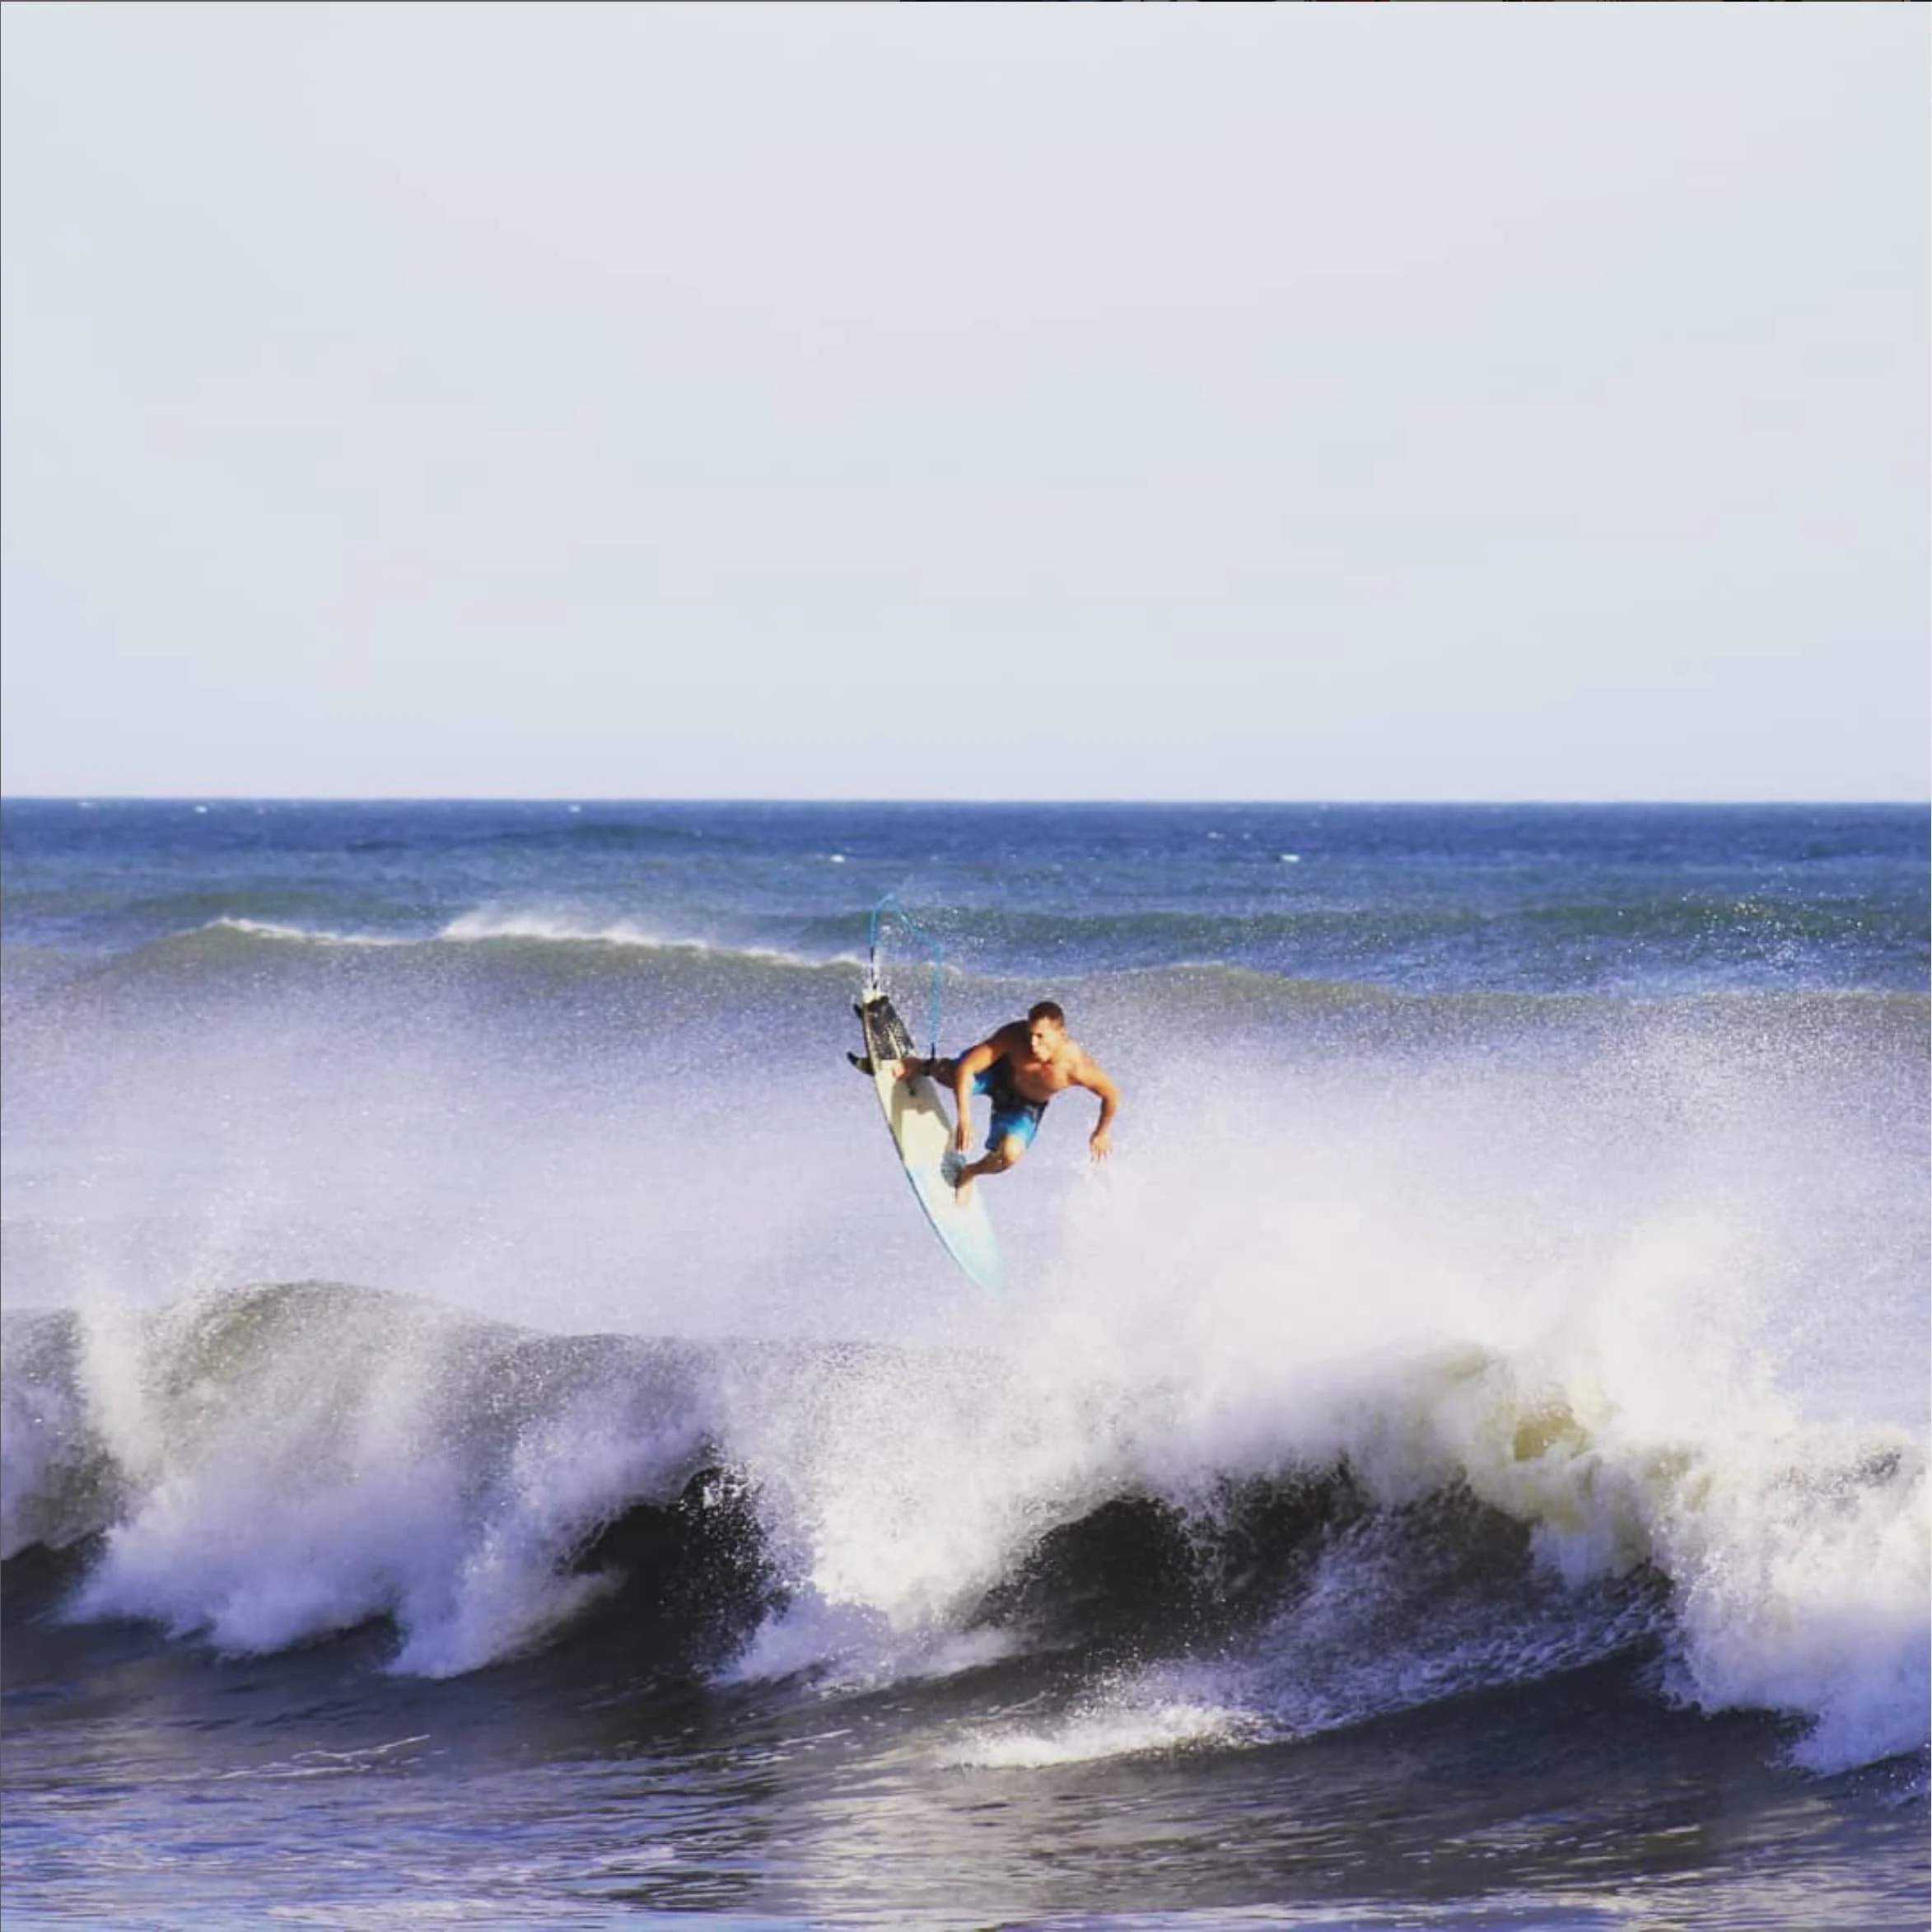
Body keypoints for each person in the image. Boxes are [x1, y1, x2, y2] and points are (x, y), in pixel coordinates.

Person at [897, 1001, 1119, 1202]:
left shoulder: (1077, 1066)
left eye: (1040, 1036)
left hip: (1024, 1105)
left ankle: (970, 1172)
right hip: (998, 1073)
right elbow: (968, 1068)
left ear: (1061, 1034)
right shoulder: (1014, 1036)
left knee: (1010, 1155)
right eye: (1030, 1034)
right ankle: (923, 1066)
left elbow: (1111, 1095)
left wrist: (1101, 1132)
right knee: (954, 1076)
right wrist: (964, 1118)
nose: (1033, 1043)